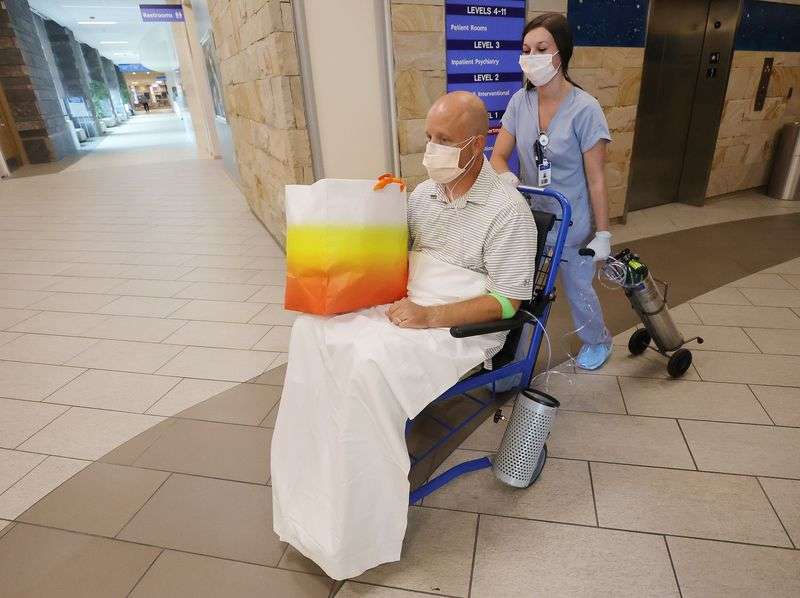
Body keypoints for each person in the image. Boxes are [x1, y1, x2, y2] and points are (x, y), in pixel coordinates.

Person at [271, 92, 537, 580]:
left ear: (477, 144)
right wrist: (381, 206)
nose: (431, 150)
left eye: (445, 141)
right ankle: (314, 483)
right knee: (313, 330)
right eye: (429, 138)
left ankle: (360, 514)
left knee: (366, 362)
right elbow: (391, 254)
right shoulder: (423, 196)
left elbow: (507, 302)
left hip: (462, 321)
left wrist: (430, 317)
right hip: (409, 298)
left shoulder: (508, 212)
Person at [490, 12, 613, 371]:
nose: (532, 57)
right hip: (531, 220)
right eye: (526, 49)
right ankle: (515, 361)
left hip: (572, 220)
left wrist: (603, 233)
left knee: (578, 288)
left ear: (562, 54)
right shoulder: (519, 102)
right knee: (525, 291)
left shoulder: (585, 109)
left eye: (542, 48)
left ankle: (598, 341)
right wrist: (506, 178)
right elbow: (498, 156)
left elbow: (596, 179)